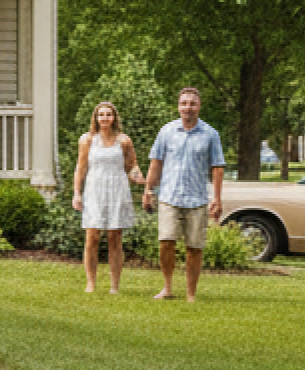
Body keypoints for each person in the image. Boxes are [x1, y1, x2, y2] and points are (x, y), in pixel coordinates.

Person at [142, 87, 225, 302]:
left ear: (199, 106)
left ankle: (190, 294)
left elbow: (217, 167)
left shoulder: (210, 134)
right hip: (169, 196)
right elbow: (156, 162)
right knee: (166, 242)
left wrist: (217, 198)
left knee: (194, 247)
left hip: (197, 199)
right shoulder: (166, 132)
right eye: (184, 103)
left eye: (192, 103)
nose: (188, 107)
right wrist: (148, 189)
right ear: (178, 106)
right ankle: (167, 288)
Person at [72, 101, 144, 295]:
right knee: (92, 236)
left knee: (115, 237)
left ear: (114, 118)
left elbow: (132, 166)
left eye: (108, 115)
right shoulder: (87, 140)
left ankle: (114, 286)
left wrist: (144, 180)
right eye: (101, 115)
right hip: (95, 189)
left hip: (117, 189)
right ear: (96, 118)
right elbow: (81, 168)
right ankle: (91, 283)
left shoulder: (124, 141)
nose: (104, 118)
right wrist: (77, 193)